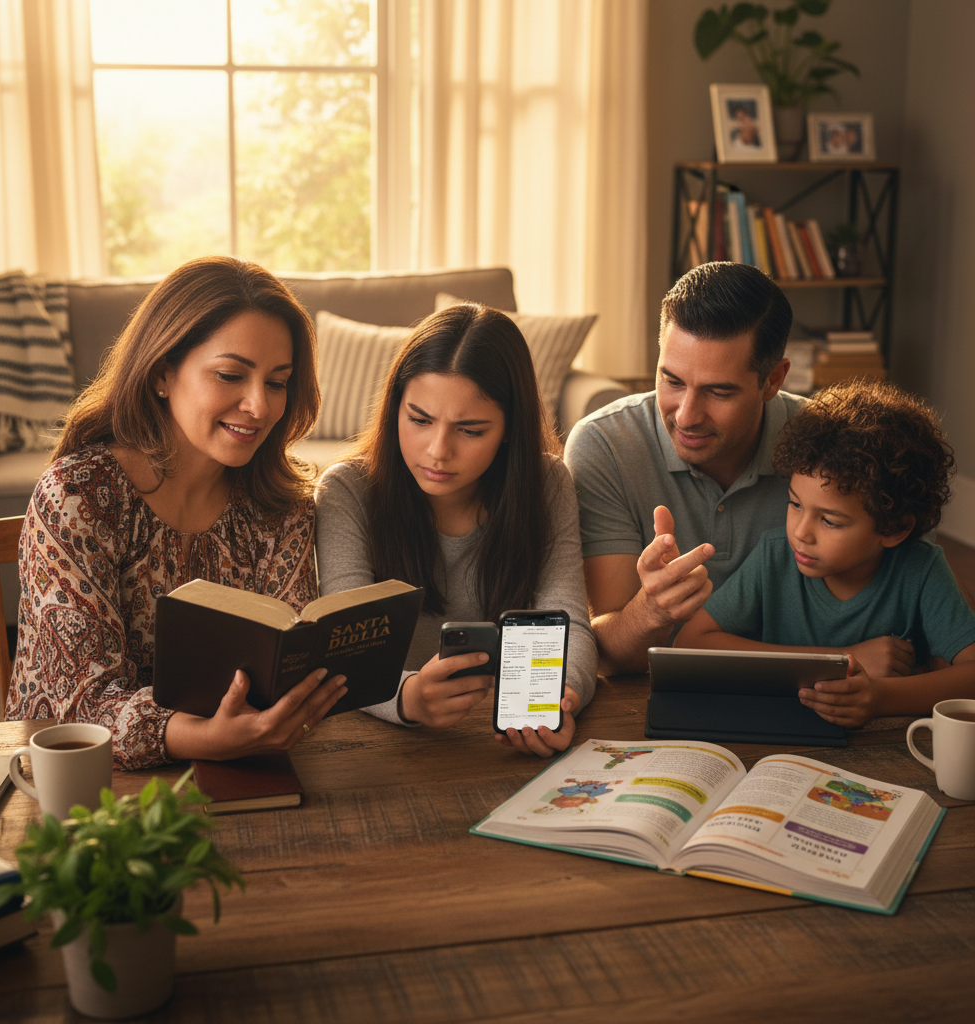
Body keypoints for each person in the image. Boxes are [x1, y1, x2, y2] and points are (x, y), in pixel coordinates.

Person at [5, 257, 348, 769]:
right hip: (71, 785)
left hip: (243, 766)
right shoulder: (78, 497)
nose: (259, 406)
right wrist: (202, 737)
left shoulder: (284, 501)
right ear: (163, 374)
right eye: (231, 374)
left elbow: (286, 665)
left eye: (277, 382)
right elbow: (78, 704)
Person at [314, 303, 597, 757]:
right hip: (382, 747)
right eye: (420, 420)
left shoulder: (546, 484)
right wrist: (407, 699)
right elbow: (342, 653)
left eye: (469, 430)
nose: (438, 451)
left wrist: (561, 700)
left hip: (500, 743)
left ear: (509, 428)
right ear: (394, 410)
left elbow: (570, 624)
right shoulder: (347, 491)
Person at [675, 379, 975, 727]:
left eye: (830, 521)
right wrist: (838, 660)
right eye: (795, 504)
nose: (801, 533)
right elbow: (691, 641)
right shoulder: (775, 557)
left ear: (893, 528)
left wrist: (879, 697)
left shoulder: (921, 569)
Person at [563, 261, 804, 675]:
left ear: (773, 380)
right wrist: (652, 610)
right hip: (648, 696)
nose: (687, 416)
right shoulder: (603, 446)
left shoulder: (826, 445)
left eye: (718, 391)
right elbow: (607, 655)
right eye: (672, 381)